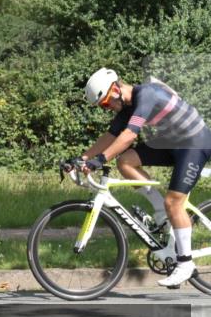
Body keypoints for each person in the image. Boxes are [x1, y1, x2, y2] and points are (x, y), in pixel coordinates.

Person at [81, 67, 211, 287]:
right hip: (173, 144)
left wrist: (100, 160)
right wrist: (82, 159)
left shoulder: (147, 94)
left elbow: (129, 135)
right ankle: (162, 212)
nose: (108, 108)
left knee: (174, 202)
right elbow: (110, 136)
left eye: (105, 103)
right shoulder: (127, 108)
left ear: (115, 90)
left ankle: (186, 263)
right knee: (125, 161)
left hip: (195, 143)